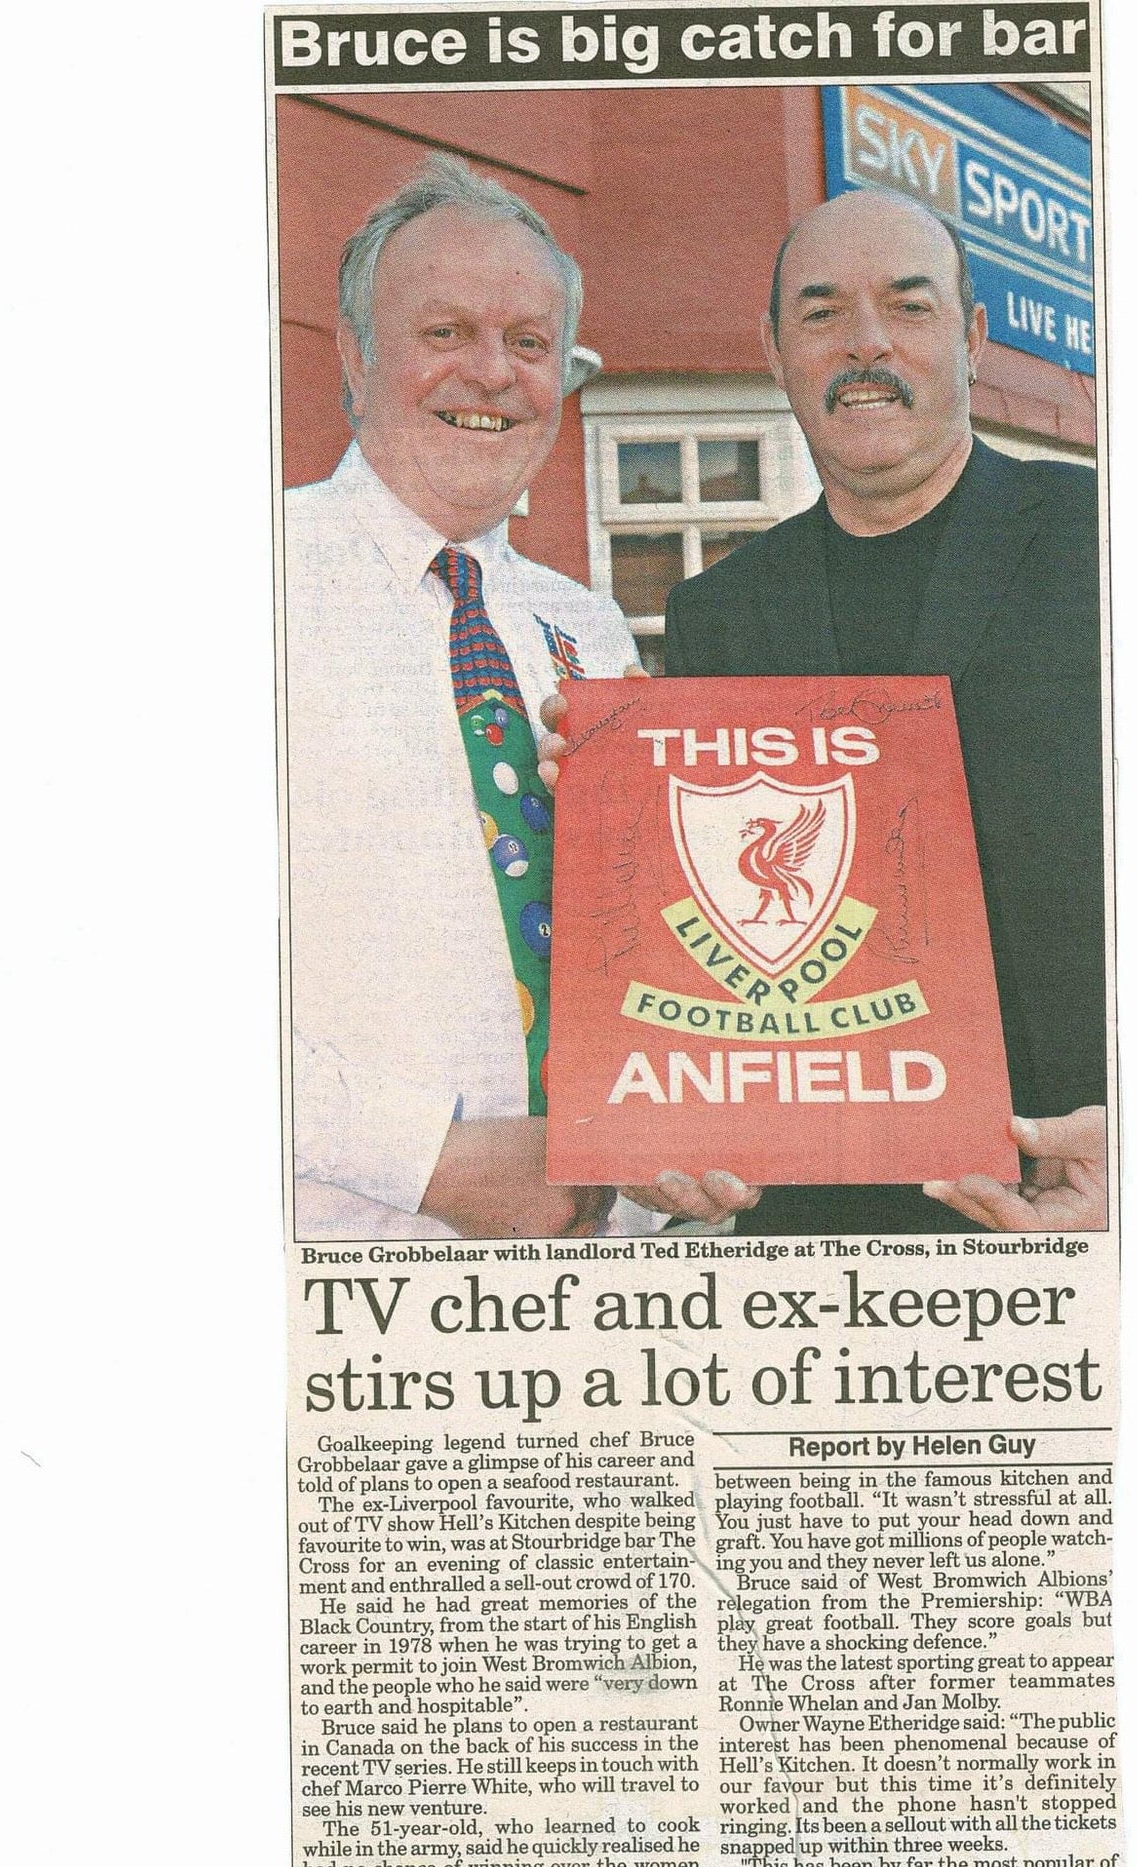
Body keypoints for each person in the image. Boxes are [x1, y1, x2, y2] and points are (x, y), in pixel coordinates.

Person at [285, 156, 756, 1240]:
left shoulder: (583, 627)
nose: (492, 374)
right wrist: (432, 1160)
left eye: (529, 343)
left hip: (621, 1274)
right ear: (354, 356)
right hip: (358, 1299)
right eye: (444, 333)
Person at [661, 187, 1108, 1236]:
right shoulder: (715, 618)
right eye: (820, 314)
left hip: (1075, 1198)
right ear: (774, 353)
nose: (864, 345)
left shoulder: (1106, 544)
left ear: (973, 339)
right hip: (812, 1223)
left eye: (907, 308)